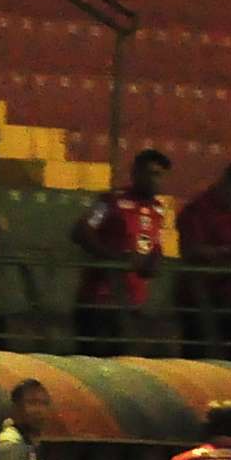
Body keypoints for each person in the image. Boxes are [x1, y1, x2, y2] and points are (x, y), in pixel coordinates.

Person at [69, 147, 169, 355]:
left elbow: (155, 244)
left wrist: (155, 260)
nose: (154, 180)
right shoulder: (111, 201)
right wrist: (114, 257)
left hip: (132, 303)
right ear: (135, 173)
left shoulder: (158, 210)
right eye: (149, 173)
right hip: (100, 301)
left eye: (159, 175)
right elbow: (81, 230)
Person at [175, 159, 231, 356]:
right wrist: (229, 251)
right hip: (203, 300)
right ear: (229, 183)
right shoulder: (196, 210)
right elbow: (192, 251)